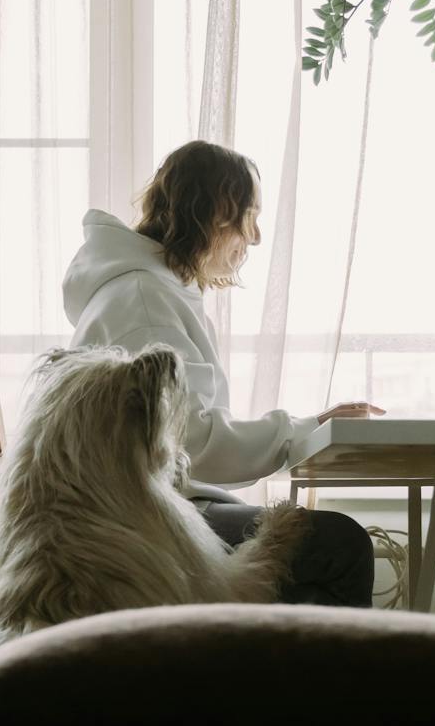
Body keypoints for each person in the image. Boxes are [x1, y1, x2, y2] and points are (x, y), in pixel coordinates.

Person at [61, 139, 381, 608]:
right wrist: (302, 429)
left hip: (139, 509)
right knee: (340, 546)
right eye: (249, 215)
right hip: (140, 523)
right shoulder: (146, 301)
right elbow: (189, 445)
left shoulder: (147, 290)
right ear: (214, 213)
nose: (254, 237)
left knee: (317, 569)